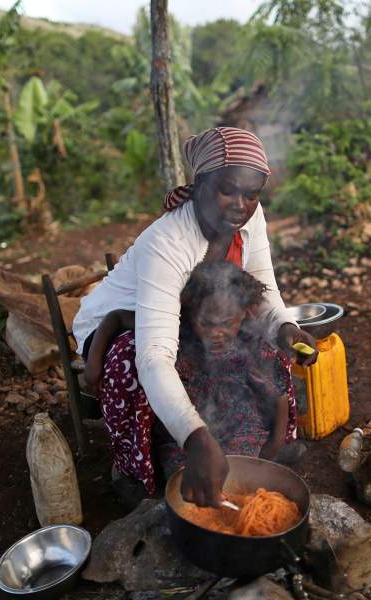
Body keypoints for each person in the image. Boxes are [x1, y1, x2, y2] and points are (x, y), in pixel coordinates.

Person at [73, 127, 317, 508]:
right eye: (228, 190)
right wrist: (196, 438)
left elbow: (264, 288)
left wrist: (284, 326)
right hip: (122, 325)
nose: (241, 204)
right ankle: (135, 470)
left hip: (196, 317)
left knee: (266, 347)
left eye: (251, 194)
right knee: (131, 362)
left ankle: (265, 444)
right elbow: (153, 356)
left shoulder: (249, 219)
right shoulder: (167, 242)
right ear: (200, 183)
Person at [86, 261, 298, 488]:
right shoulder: (175, 324)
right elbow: (116, 318)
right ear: (190, 311)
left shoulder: (252, 341)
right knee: (186, 476)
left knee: (239, 472)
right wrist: (94, 363)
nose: (216, 333)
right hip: (185, 432)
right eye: (206, 323)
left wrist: (273, 448)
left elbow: (278, 392)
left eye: (227, 324)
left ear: (244, 313)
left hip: (239, 424)